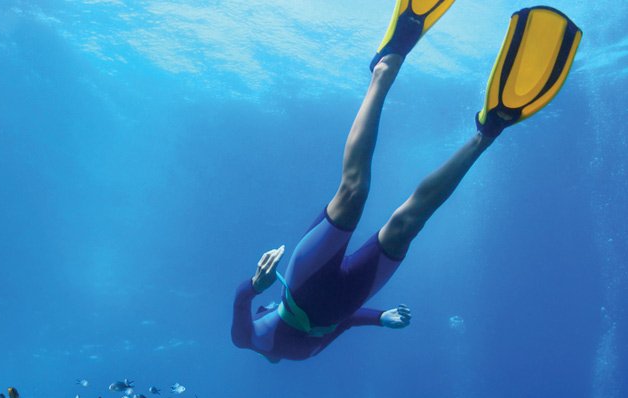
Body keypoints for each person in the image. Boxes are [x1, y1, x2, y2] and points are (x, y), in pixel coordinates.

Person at [231, 1, 581, 363]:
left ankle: (385, 66)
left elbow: (241, 306)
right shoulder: (306, 352)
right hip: (345, 299)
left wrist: (254, 287)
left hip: (302, 287)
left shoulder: (250, 340)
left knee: (353, 193)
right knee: (406, 225)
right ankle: (488, 131)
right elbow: (346, 323)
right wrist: (380, 318)